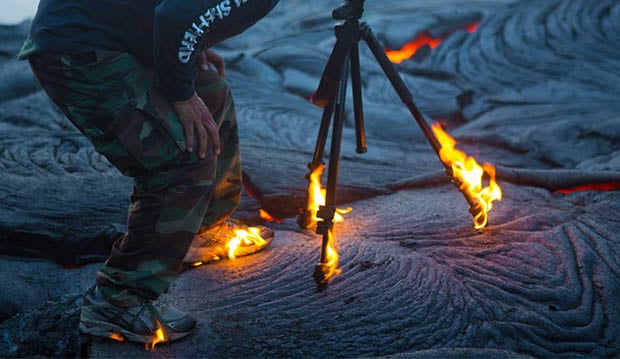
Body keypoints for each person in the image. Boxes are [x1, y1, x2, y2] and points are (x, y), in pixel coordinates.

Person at [18, 0, 280, 345]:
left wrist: (191, 48)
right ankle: (116, 300)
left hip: (118, 36)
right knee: (178, 161)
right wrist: (180, 91)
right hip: (80, 48)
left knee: (212, 93)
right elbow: (174, 15)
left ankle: (203, 230)